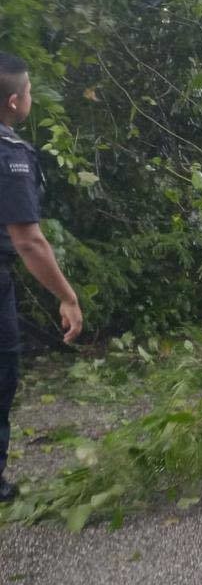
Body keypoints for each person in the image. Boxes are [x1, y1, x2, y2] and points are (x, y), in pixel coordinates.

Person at [0, 53, 83, 503]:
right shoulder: (9, 155)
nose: (31, 97)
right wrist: (67, 297)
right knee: (1, 374)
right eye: (29, 91)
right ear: (14, 101)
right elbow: (28, 241)